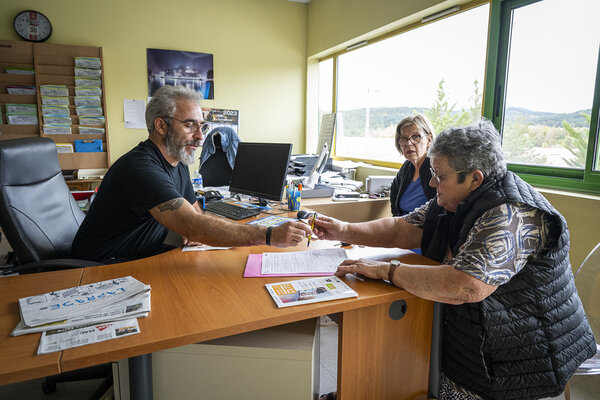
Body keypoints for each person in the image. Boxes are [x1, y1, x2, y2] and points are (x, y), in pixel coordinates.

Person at [313, 120, 596, 400]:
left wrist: (388, 271)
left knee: (407, 372)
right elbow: (403, 228)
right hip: (483, 334)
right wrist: (343, 229)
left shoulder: (512, 215)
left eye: (439, 175)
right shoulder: (454, 200)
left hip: (523, 353)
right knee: (395, 360)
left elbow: (465, 286)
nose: (432, 182)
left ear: (475, 178)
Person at [71, 85, 312, 263]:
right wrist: (268, 234)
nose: (200, 136)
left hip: (138, 255)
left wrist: (200, 228)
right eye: (189, 125)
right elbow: (194, 225)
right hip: (102, 267)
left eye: (202, 126)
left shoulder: (177, 161)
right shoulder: (141, 168)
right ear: (161, 126)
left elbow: (195, 212)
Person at [390, 114, 436, 216]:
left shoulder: (436, 168)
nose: (408, 143)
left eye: (416, 136)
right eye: (403, 138)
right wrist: (396, 221)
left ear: (429, 140)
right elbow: (394, 192)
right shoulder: (407, 167)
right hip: (401, 225)